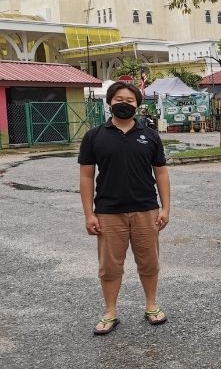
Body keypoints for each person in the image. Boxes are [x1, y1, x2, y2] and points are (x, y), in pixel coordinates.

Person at [78, 81, 171, 335]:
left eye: (130, 100)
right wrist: (89, 214)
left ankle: (151, 305)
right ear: (109, 102)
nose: (124, 104)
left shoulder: (150, 136)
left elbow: (161, 173)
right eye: (119, 99)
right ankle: (110, 312)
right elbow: (86, 177)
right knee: (109, 266)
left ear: (137, 105)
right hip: (108, 212)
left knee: (149, 262)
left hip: (146, 209)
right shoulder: (94, 136)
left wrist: (165, 208)